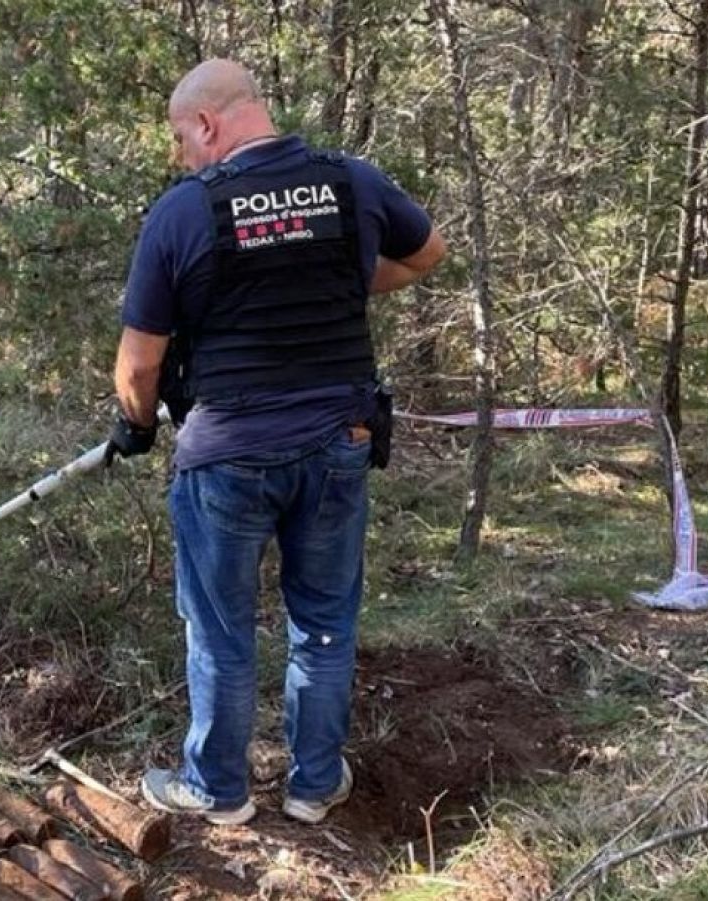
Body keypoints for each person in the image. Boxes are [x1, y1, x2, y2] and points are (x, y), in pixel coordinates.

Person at [105, 59, 445, 825]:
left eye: (180, 139)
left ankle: (218, 791)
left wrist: (135, 422)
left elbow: (141, 361)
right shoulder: (350, 182)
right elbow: (427, 254)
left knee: (221, 629)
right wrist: (333, 275)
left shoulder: (183, 211)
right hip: (338, 443)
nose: (181, 156)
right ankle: (313, 785)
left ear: (207, 124)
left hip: (227, 451)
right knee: (324, 620)